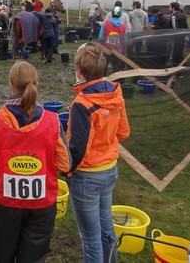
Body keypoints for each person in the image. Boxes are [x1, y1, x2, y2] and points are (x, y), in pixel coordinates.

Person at [0, 60, 71, 263]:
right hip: (41, 205)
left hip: (3, 204)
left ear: (11, 86)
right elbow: (65, 164)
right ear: (36, 85)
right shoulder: (53, 122)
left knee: (2, 255)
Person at [66, 43, 130, 263]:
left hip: (87, 177)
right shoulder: (116, 94)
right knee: (106, 229)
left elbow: (77, 147)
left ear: (79, 72)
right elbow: (123, 132)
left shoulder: (81, 104)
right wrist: (105, 142)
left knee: (90, 236)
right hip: (109, 170)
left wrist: (68, 170)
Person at [99, 6, 128, 72]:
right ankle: (116, 82)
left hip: (106, 49)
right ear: (120, 15)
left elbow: (100, 36)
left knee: (103, 68)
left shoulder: (105, 23)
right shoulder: (124, 26)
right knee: (116, 69)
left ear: (112, 13)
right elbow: (125, 40)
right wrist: (124, 50)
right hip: (118, 50)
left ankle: (101, 81)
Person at [169, 1, 189, 66]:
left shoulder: (174, 17)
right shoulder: (182, 15)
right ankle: (180, 67)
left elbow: (175, 28)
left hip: (177, 38)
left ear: (173, 8)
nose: (168, 9)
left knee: (177, 54)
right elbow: (186, 26)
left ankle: (181, 68)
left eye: (169, 7)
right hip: (180, 37)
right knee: (178, 53)